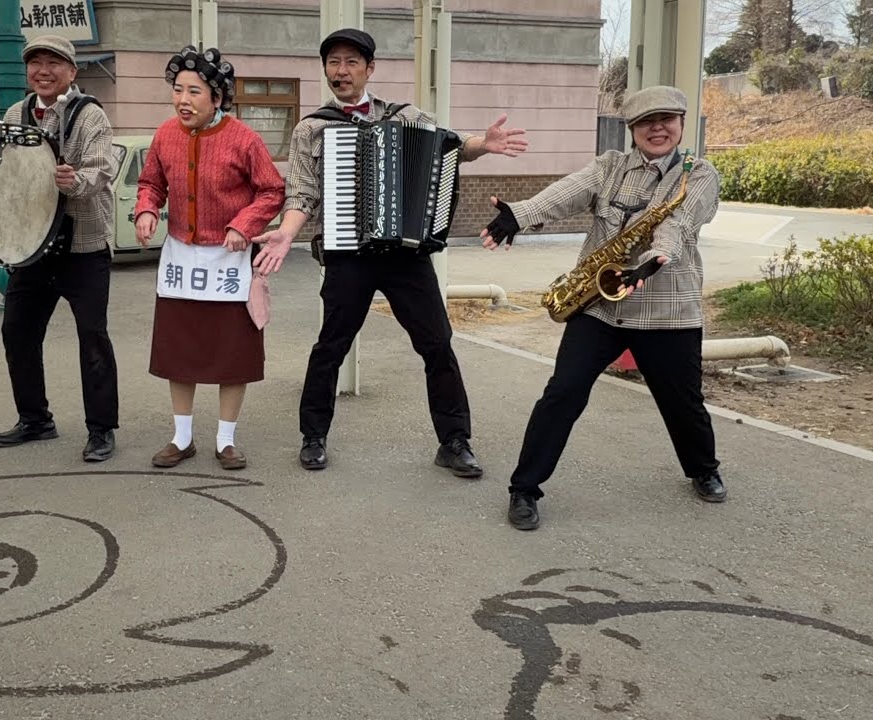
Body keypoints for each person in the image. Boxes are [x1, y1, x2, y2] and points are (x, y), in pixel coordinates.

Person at [252, 28, 528, 478]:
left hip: (405, 256)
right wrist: (286, 233)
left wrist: (483, 143)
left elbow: (449, 145)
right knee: (331, 346)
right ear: (325, 69)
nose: (341, 71)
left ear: (369, 69)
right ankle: (313, 436)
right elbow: (302, 194)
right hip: (348, 254)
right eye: (333, 63)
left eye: (351, 62)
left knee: (437, 344)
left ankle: (454, 441)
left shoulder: (406, 116)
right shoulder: (313, 128)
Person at [478, 85, 726, 531]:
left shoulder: (699, 174)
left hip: (667, 309)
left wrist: (653, 260)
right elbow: (562, 194)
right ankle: (524, 489)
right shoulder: (609, 167)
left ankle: (703, 469)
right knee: (561, 394)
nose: (658, 128)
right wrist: (519, 214)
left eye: (667, 119)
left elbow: (679, 222)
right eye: (646, 121)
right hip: (599, 307)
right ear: (630, 129)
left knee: (683, 403)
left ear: (681, 124)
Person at [134, 46, 286, 471]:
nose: (183, 100)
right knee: (178, 350)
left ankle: (225, 440)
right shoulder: (165, 134)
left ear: (217, 98)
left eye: (194, 91)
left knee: (230, 353)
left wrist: (244, 223)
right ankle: (181, 438)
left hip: (230, 260)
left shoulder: (245, 140)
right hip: (181, 259)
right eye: (178, 90)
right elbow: (151, 181)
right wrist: (146, 208)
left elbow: (272, 190)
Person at [0, 35, 121, 463]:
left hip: (83, 246)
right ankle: (35, 420)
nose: (42, 71)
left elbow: (101, 169)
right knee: (17, 331)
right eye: (35, 63)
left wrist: (74, 181)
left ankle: (101, 429)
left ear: (71, 71)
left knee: (92, 337)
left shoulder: (91, 115)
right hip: (33, 247)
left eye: (53, 63)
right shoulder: (16, 112)